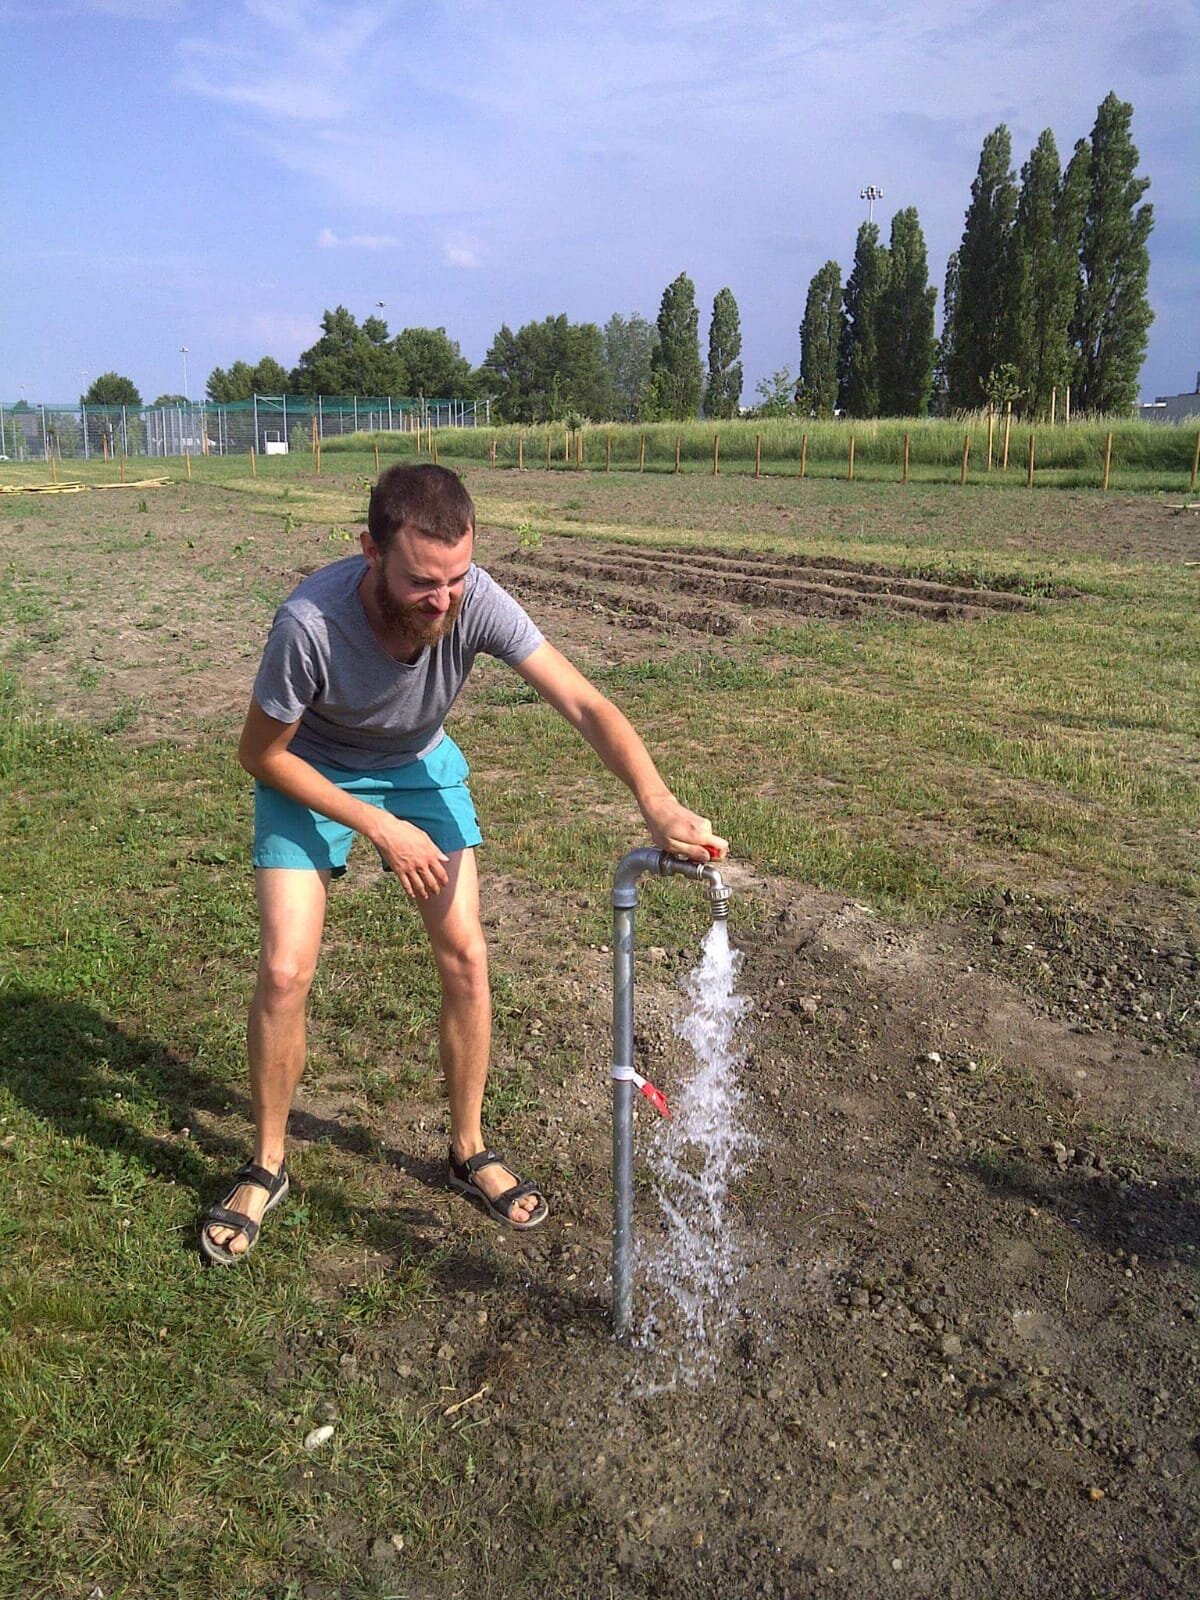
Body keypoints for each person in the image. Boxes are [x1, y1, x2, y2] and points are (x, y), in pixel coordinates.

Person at [200, 463, 726, 1263]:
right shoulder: (308, 624)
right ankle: (266, 1162)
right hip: (310, 769)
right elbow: (259, 755)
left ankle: (467, 1149)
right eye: (421, 582)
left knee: (467, 956)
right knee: (283, 970)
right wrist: (380, 826)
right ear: (370, 551)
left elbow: (583, 701)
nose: (442, 600)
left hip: (417, 762)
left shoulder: (473, 596)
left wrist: (654, 799)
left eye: (455, 579)